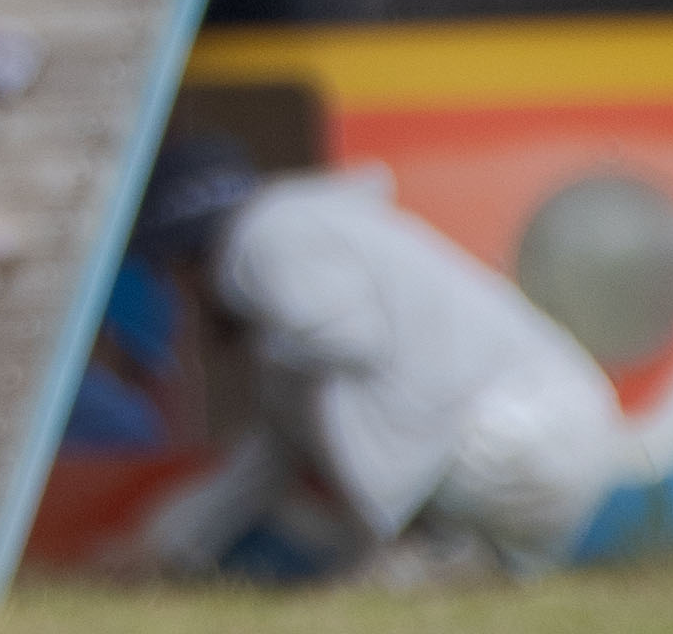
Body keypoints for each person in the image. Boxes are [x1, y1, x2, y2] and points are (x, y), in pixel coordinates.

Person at [133, 151, 621, 577]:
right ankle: (449, 559)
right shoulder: (317, 227)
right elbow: (273, 449)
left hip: (512, 441)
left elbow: (343, 344)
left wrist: (378, 530)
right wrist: (165, 543)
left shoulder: (263, 235)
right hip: (561, 435)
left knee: (335, 560)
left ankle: (425, 552)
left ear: (187, 258)